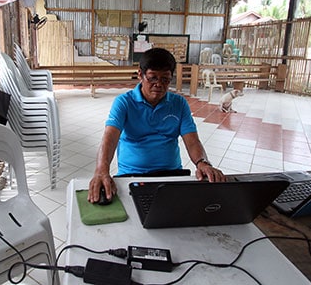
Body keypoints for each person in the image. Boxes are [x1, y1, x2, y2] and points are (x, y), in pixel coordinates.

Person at [88, 47, 225, 203]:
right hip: (132, 176)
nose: (159, 84)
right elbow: (110, 137)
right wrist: (101, 170)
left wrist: (203, 163)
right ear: (140, 74)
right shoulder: (124, 102)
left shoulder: (179, 103)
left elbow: (192, 140)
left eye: (165, 79)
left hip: (171, 175)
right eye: (152, 78)